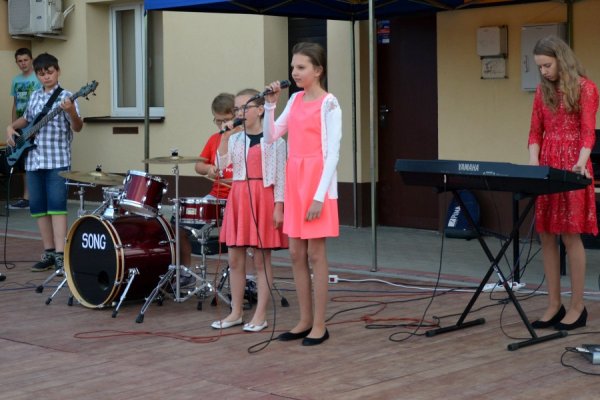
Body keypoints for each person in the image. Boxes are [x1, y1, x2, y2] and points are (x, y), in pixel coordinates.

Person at [263, 42, 342, 345]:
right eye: (293, 67)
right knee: (296, 253)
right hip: (295, 179)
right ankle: (304, 320)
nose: (294, 72)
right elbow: (272, 136)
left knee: (315, 254)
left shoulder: (329, 104)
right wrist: (270, 106)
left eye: (301, 67)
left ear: (318, 70)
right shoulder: (295, 99)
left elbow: (333, 153)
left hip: (316, 181)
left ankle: (320, 324)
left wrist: (320, 196)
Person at [528, 36, 598, 331]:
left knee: (570, 235)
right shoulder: (541, 92)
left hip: (573, 165)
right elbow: (535, 132)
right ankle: (554, 304)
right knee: (546, 234)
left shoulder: (586, 88)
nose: (543, 71)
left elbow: (588, 132)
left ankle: (577, 306)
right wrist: (533, 163)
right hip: (547, 164)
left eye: (547, 65)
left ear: (561, 59)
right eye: (539, 67)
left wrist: (581, 162)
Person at [211, 88, 287, 332]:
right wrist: (224, 137)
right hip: (239, 197)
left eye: (245, 107)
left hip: (263, 197)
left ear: (260, 110)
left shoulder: (275, 140)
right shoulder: (235, 139)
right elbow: (220, 166)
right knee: (235, 258)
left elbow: (281, 178)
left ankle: (260, 314)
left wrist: (279, 207)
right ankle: (235, 312)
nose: (240, 113)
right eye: (237, 109)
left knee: (261, 259)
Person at [5, 53, 83, 275]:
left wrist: (71, 111)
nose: (46, 77)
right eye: (41, 73)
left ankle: (60, 254)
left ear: (58, 71)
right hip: (33, 160)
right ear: (37, 75)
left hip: (57, 160)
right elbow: (27, 119)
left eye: (50, 72)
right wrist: (11, 127)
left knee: (57, 206)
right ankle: (48, 253)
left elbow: (77, 127)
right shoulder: (34, 96)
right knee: (38, 208)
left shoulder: (67, 97)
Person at [8, 48, 41, 209]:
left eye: (25, 60)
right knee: (23, 161)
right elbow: (15, 104)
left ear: (31, 60)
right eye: (19, 61)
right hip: (21, 127)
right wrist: (13, 126)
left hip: (36, 126)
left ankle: (37, 197)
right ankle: (26, 198)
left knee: (36, 160)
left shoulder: (39, 78)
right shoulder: (16, 80)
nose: (23, 63)